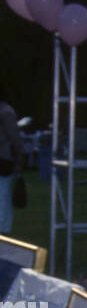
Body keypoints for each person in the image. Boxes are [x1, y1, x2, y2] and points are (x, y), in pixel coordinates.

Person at [0, 93, 24, 235]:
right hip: (4, 158)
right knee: (4, 195)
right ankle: (3, 230)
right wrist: (20, 156)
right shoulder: (6, 111)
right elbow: (14, 137)